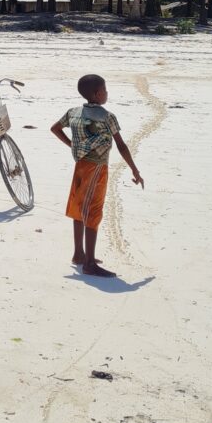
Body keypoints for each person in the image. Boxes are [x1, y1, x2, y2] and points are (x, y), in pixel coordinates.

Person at [50, 73, 144, 277]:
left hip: (80, 166)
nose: (107, 92)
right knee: (93, 211)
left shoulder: (73, 112)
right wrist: (134, 169)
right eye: (105, 89)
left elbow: (55, 128)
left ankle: (79, 254)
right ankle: (90, 263)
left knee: (78, 207)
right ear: (97, 94)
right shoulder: (107, 116)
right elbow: (121, 145)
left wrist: (72, 145)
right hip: (97, 168)